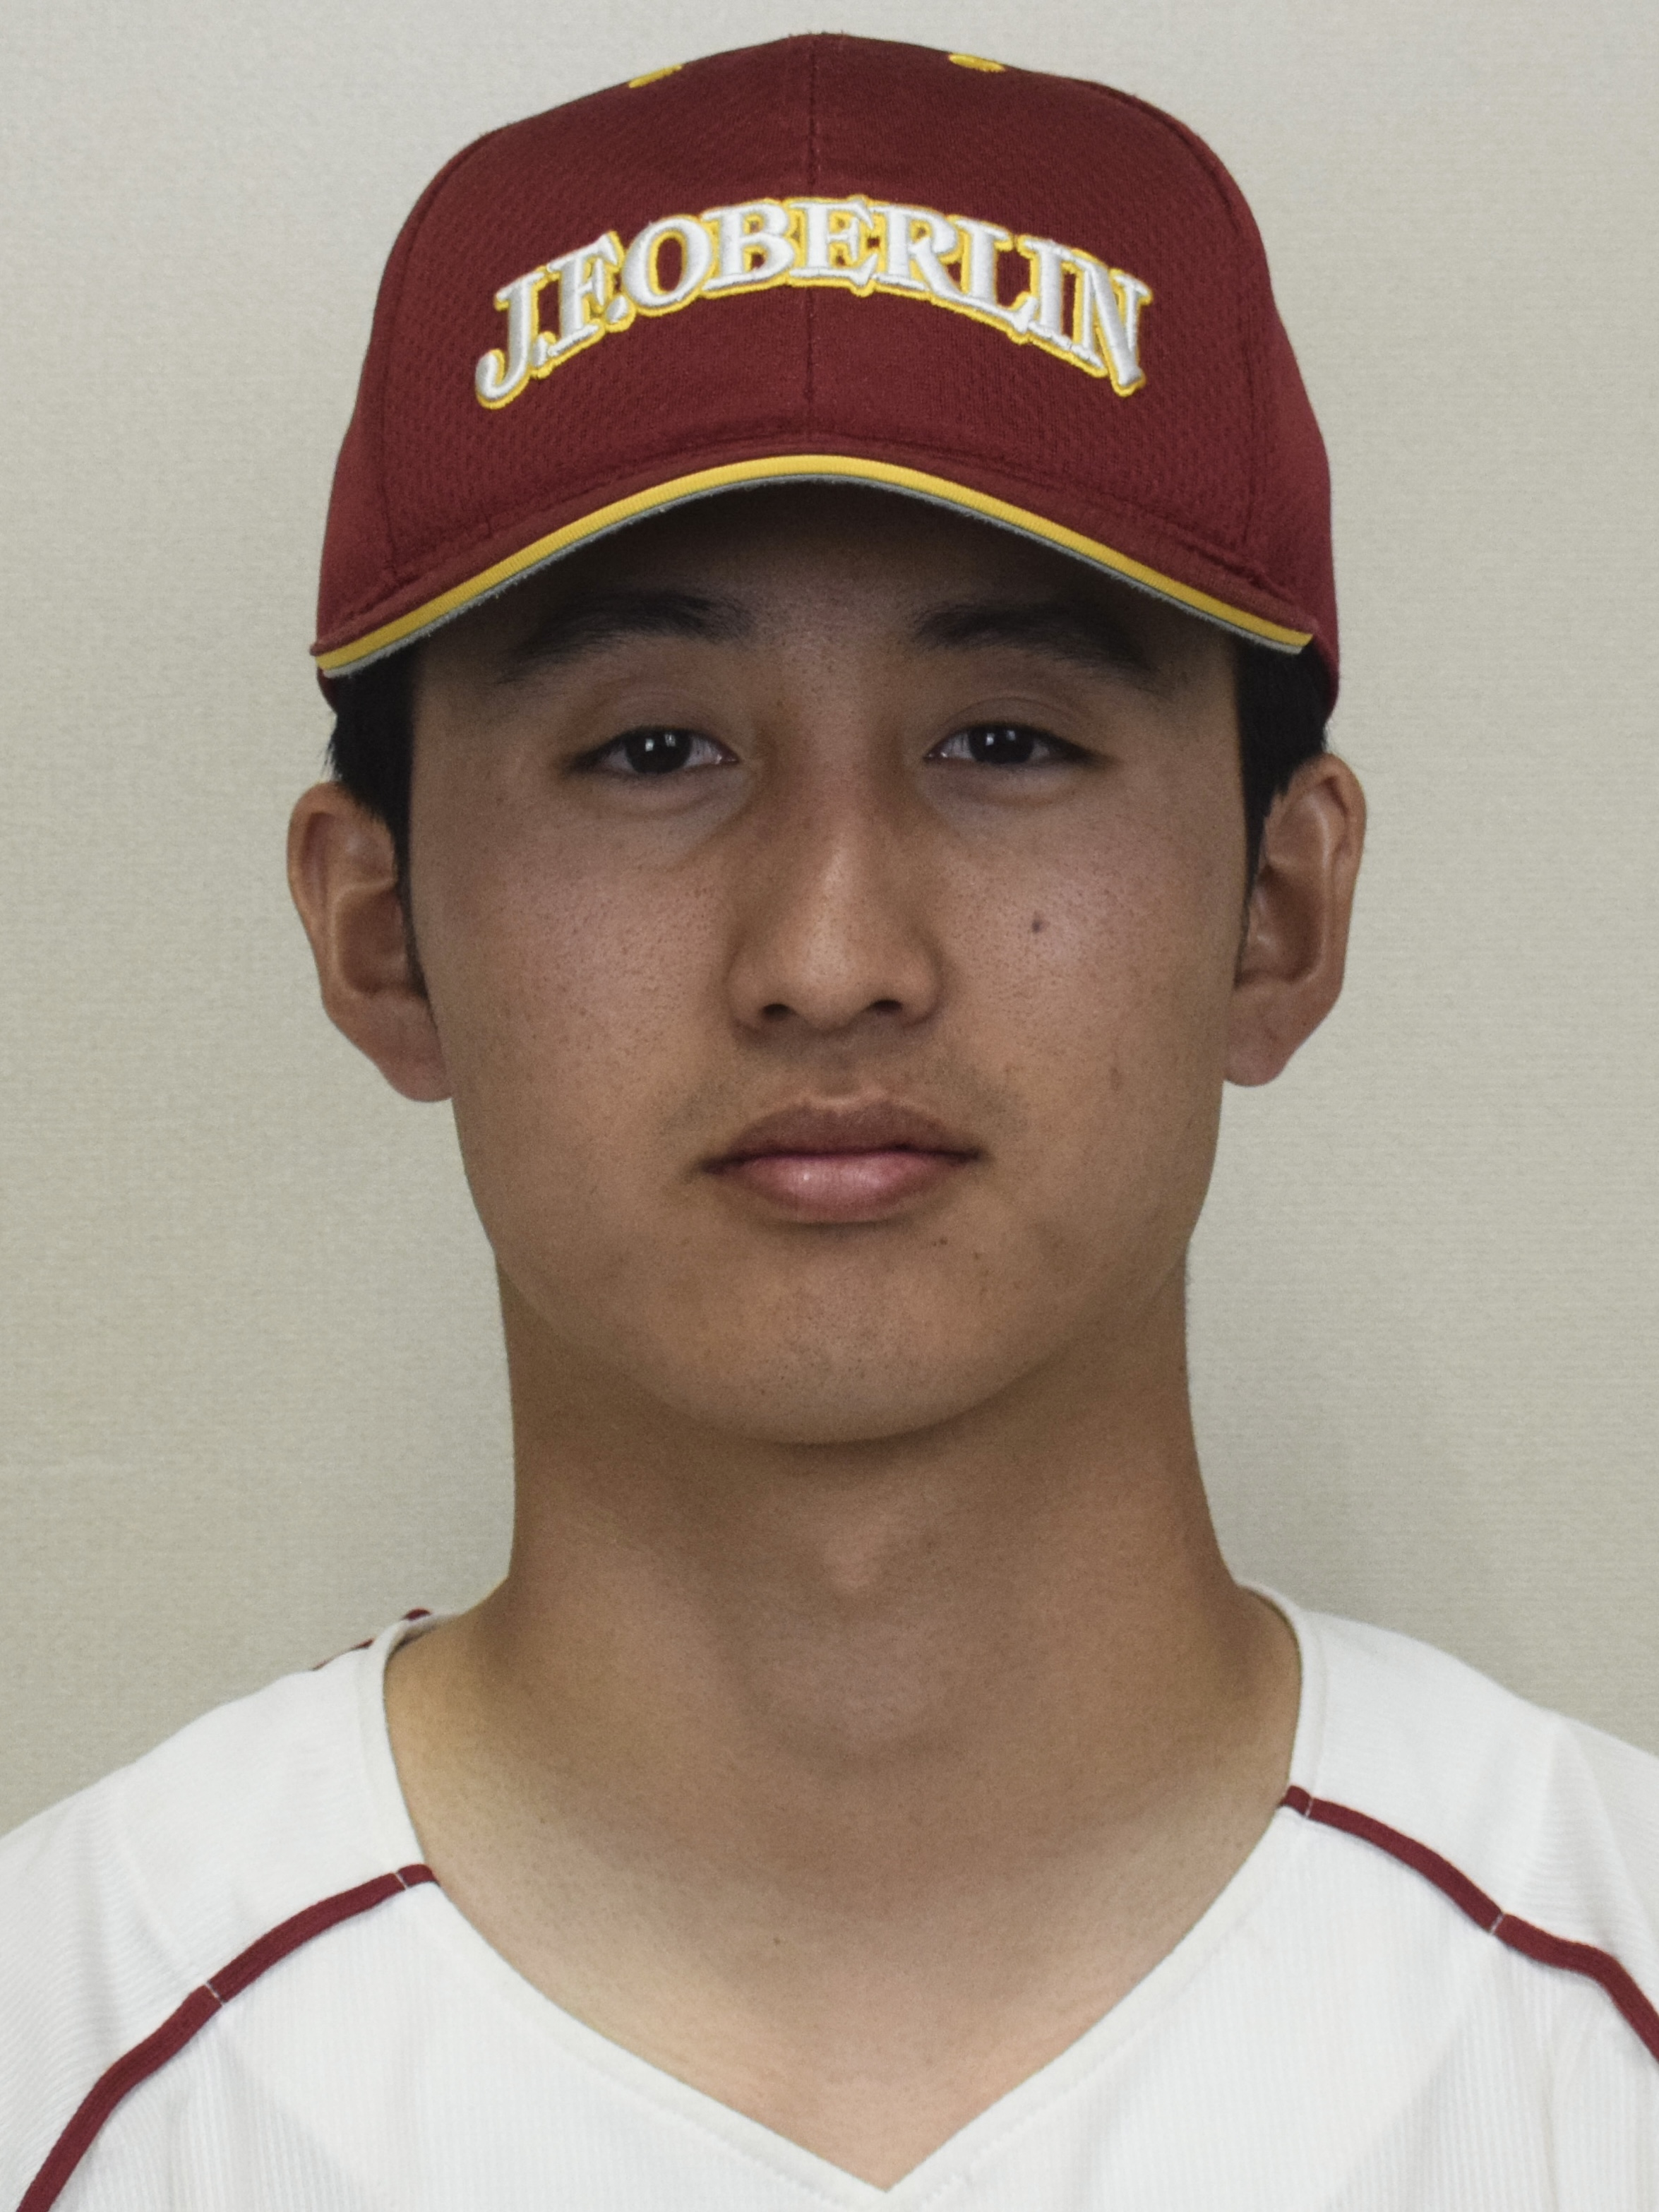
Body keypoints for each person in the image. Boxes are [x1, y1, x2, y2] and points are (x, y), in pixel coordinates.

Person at [3, 32, 1654, 2208]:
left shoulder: (1604, 2036)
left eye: (1005, 739)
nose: (833, 951)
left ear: (1280, 905)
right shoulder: (59, 2064)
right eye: (653, 751)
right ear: (382, 933)